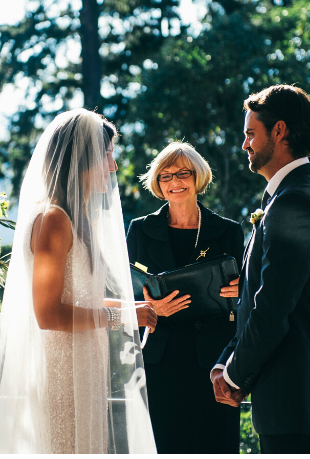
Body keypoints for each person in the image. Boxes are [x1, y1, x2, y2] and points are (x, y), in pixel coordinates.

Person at [0, 109, 158, 454]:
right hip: (61, 377)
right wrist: (120, 317)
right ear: (84, 158)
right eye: (107, 155)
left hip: (84, 371)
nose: (113, 166)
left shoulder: (77, 218)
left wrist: (133, 309)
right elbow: (48, 315)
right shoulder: (53, 220)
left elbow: (83, 298)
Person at [211, 85, 310, 453]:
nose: (244, 145)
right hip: (294, 401)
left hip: (301, 399)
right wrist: (228, 359)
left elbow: (273, 308)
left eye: (250, 134)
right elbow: (256, 295)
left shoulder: (297, 201)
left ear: (279, 130)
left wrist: (234, 374)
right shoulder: (291, 194)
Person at [125, 142, 243, 454]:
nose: (175, 182)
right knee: (164, 444)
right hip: (160, 359)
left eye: (182, 174)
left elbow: (248, 293)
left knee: (215, 444)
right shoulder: (139, 230)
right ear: (157, 183)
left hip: (215, 361)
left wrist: (242, 290)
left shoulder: (228, 231)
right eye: (165, 176)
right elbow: (125, 291)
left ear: (198, 177)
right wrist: (151, 308)